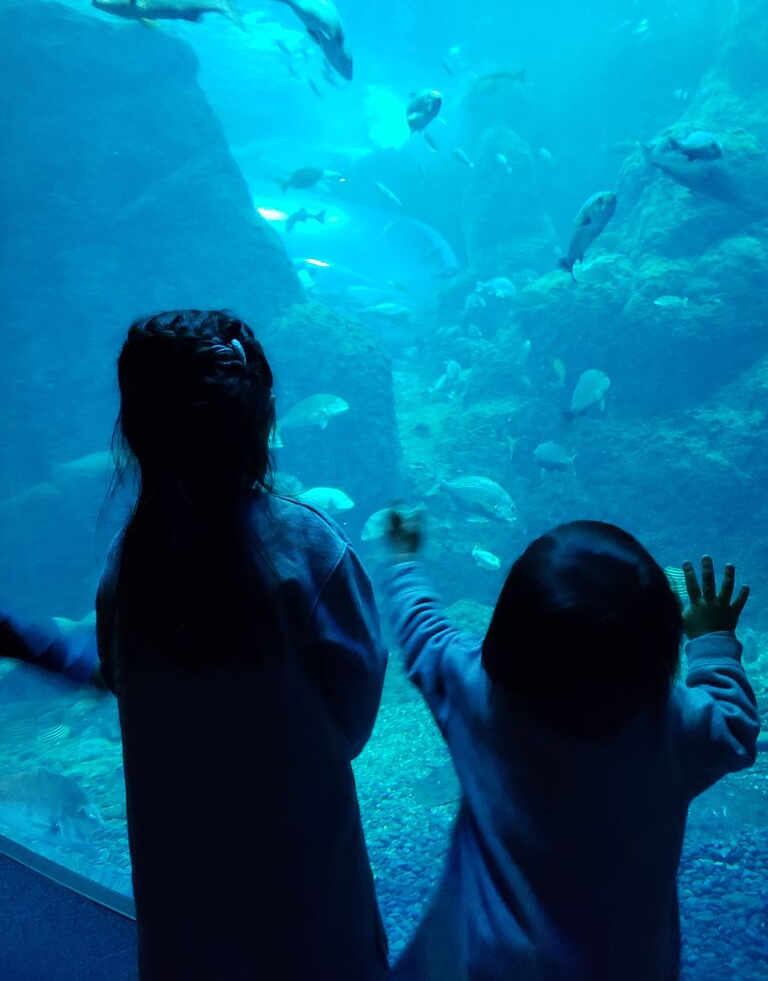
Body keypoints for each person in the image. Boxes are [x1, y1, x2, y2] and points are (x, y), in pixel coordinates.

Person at [96, 310, 389, 980]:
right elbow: (353, 714)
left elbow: (120, 677)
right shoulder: (311, 548)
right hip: (305, 883)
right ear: (262, 419)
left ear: (137, 431)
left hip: (182, 892)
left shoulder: (128, 559)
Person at [381, 516, 759, 981]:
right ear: (660, 642)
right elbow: (736, 726)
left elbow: (422, 628)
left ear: (507, 626)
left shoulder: (470, 689)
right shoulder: (677, 727)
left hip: (486, 962)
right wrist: (712, 641)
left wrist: (403, 561)